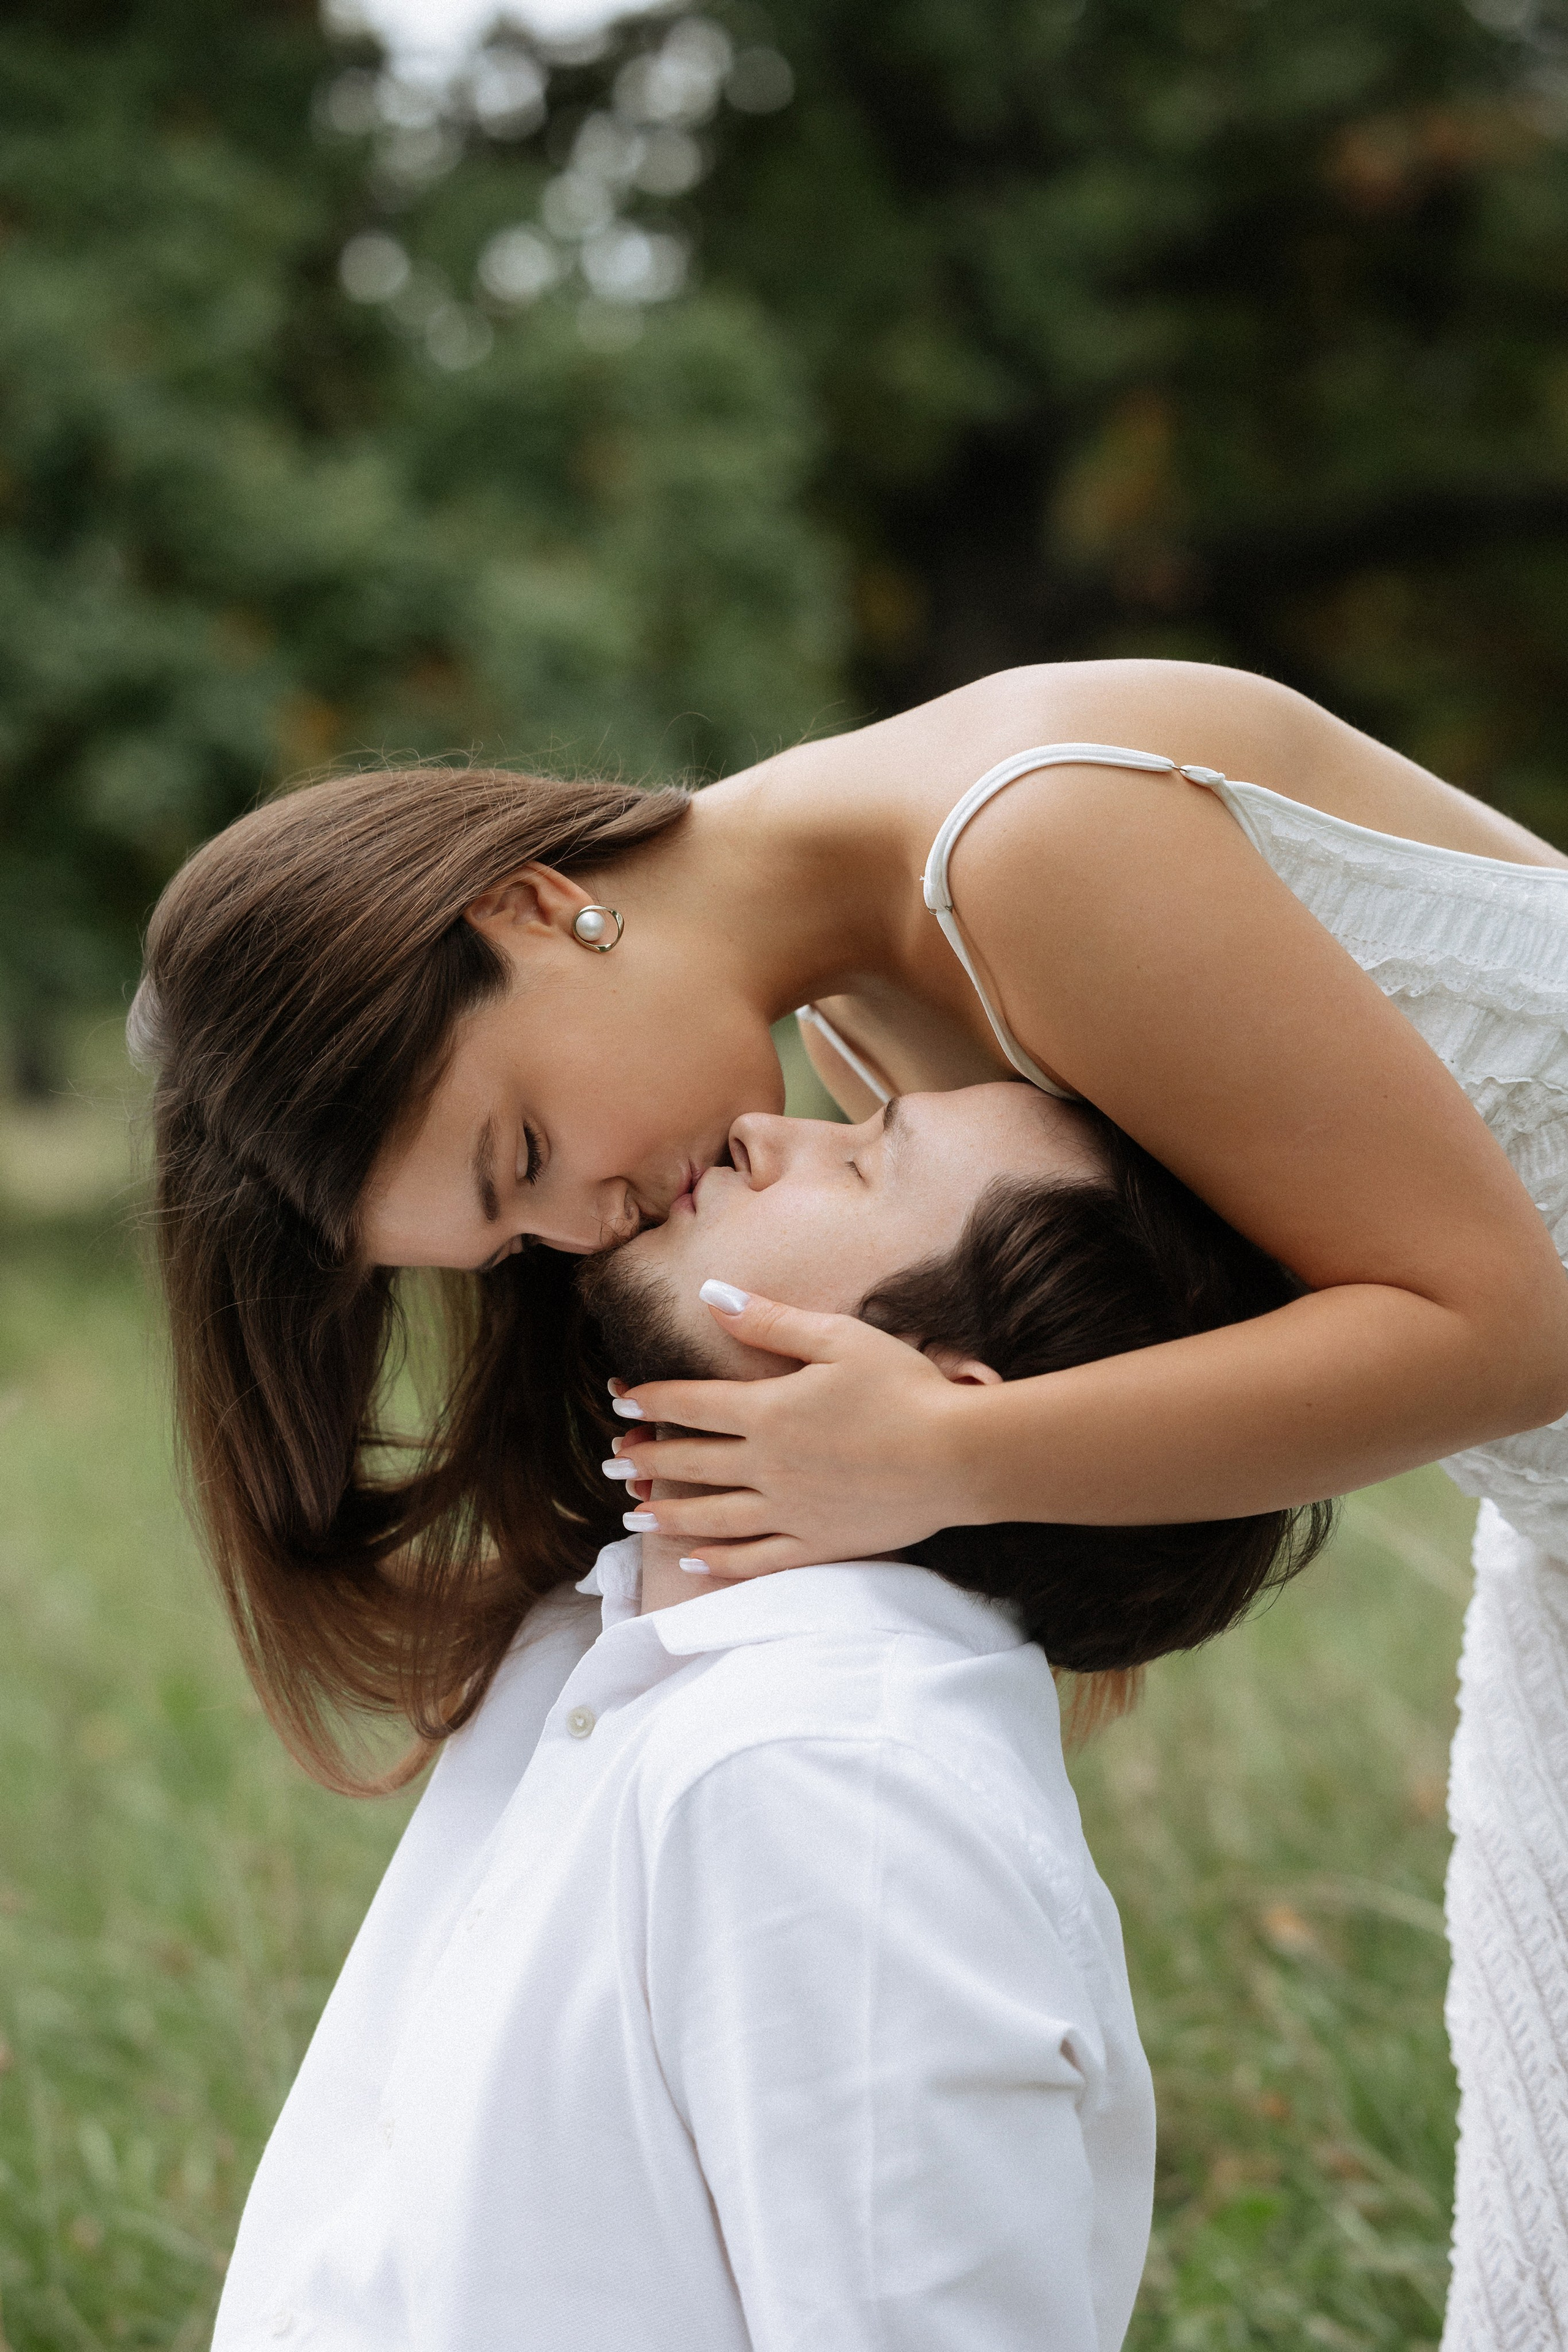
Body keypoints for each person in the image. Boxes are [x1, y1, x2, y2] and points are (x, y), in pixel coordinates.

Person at [132, 657, 1568, 2342]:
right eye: (517, 1240)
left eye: (523, 1156)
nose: (586, 1226)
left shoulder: (1027, 848)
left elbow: (1516, 1331)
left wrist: (946, 1461)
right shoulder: (867, 995)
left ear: (532, 908)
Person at [206, 1079, 1324, 2350]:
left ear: (951, 1400)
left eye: (859, 1166)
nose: (761, 1125)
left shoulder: (826, 1776)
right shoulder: (607, 1656)